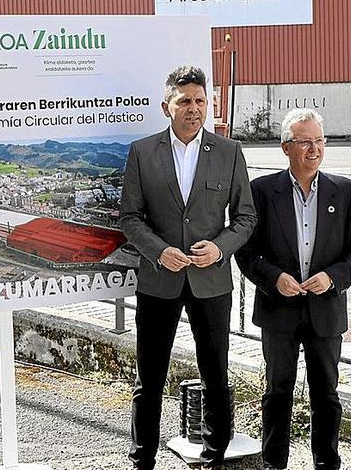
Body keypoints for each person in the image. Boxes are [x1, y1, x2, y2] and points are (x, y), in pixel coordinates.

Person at [120, 65, 256, 470]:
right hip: (158, 281)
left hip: (211, 281)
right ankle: (142, 459)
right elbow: (129, 218)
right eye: (184, 101)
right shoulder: (143, 153)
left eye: (200, 101)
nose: (193, 108)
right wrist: (159, 252)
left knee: (216, 375)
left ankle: (215, 457)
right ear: (167, 106)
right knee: (150, 380)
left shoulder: (229, 153)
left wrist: (220, 249)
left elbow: (246, 218)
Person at [234, 108, 351, 470]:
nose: (314, 149)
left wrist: (334, 278)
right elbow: (247, 251)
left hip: (325, 311)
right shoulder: (262, 191)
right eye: (305, 142)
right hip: (278, 310)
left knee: (326, 394)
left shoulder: (345, 191)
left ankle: (327, 463)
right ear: (285, 147)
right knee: (277, 392)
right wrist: (272, 278)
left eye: (319, 141)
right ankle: (273, 462)